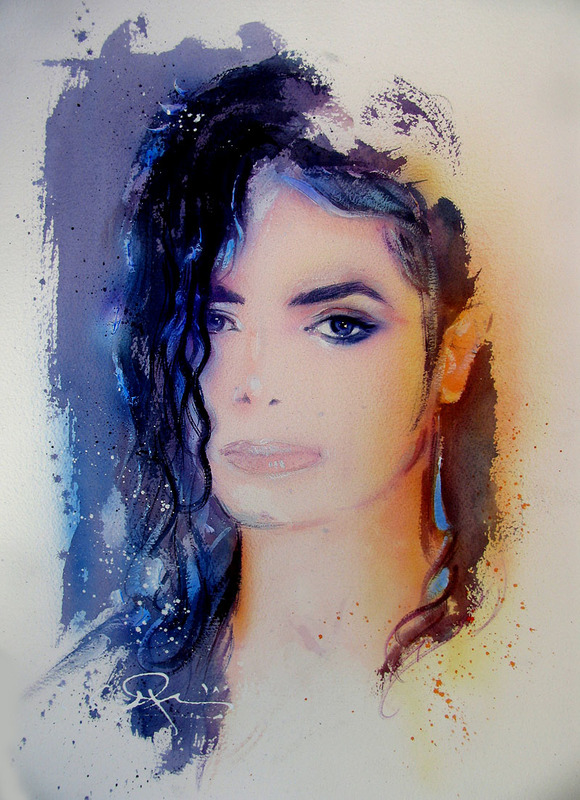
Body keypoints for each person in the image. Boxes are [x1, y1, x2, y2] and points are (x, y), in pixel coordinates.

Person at [30, 52, 497, 782]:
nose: (254, 384)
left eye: (338, 324)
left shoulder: (524, 687)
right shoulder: (83, 720)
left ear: (454, 357)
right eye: (213, 320)